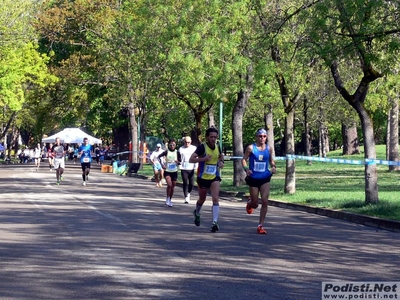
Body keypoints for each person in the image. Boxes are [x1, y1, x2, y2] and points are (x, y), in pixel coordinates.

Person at [241, 128, 276, 234]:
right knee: (255, 204)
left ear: (266, 137)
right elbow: (244, 159)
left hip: (265, 177)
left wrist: (273, 166)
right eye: (260, 136)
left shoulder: (269, 148)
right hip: (254, 178)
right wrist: (246, 169)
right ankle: (250, 202)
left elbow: (271, 160)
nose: (262, 138)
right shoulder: (251, 148)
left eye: (264, 136)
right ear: (257, 137)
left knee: (265, 201)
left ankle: (260, 225)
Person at [189, 127, 225, 232]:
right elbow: (191, 159)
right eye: (211, 137)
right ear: (207, 137)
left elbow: (221, 157)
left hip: (214, 176)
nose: (213, 139)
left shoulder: (218, 147)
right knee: (202, 199)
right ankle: (197, 212)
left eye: (215, 137)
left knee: (215, 198)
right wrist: (203, 159)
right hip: (203, 177)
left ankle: (214, 222)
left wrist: (221, 162)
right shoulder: (202, 147)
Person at [157, 138, 181, 207]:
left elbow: (180, 161)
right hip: (167, 171)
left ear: (175, 145)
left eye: (173, 145)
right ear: (169, 145)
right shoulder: (166, 152)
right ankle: (167, 198)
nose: (172, 146)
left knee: (173, 186)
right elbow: (158, 157)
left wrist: (178, 162)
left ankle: (170, 199)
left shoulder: (177, 152)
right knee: (169, 185)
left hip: (174, 171)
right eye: (171, 145)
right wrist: (162, 164)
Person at [179, 136, 197, 204]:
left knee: (192, 183)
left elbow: (196, 157)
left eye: (188, 142)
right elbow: (179, 158)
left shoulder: (194, 148)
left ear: (191, 141)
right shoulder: (181, 149)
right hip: (184, 168)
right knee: (185, 182)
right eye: (186, 142)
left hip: (191, 167)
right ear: (184, 142)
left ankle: (189, 192)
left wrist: (196, 166)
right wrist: (180, 166)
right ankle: (186, 197)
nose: (187, 144)